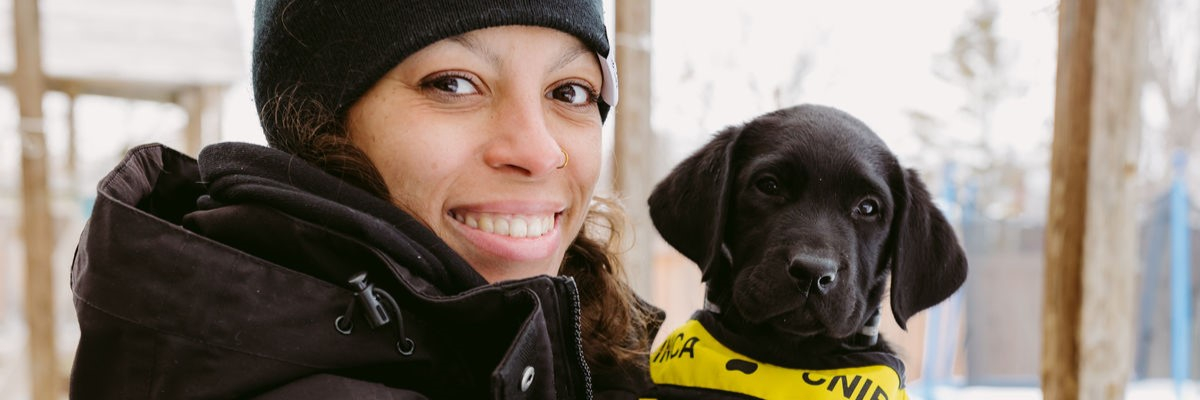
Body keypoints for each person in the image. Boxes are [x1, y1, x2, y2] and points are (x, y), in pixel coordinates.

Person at [68, 1, 662, 398]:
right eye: (453, 84)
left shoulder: (595, 348)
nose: (537, 150)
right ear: (320, 126)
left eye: (571, 91)